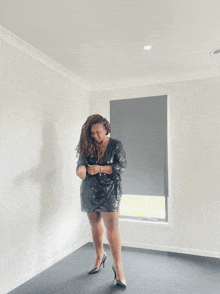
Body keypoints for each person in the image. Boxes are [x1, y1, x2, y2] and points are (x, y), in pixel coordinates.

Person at [75, 114, 127, 287]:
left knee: (112, 226)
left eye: (99, 132)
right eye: (93, 133)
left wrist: (101, 168)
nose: (96, 136)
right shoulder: (87, 145)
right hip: (90, 189)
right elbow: (81, 162)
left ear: (106, 129)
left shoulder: (116, 145)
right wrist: (81, 168)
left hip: (111, 190)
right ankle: (99, 256)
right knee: (95, 224)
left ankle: (118, 267)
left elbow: (121, 166)